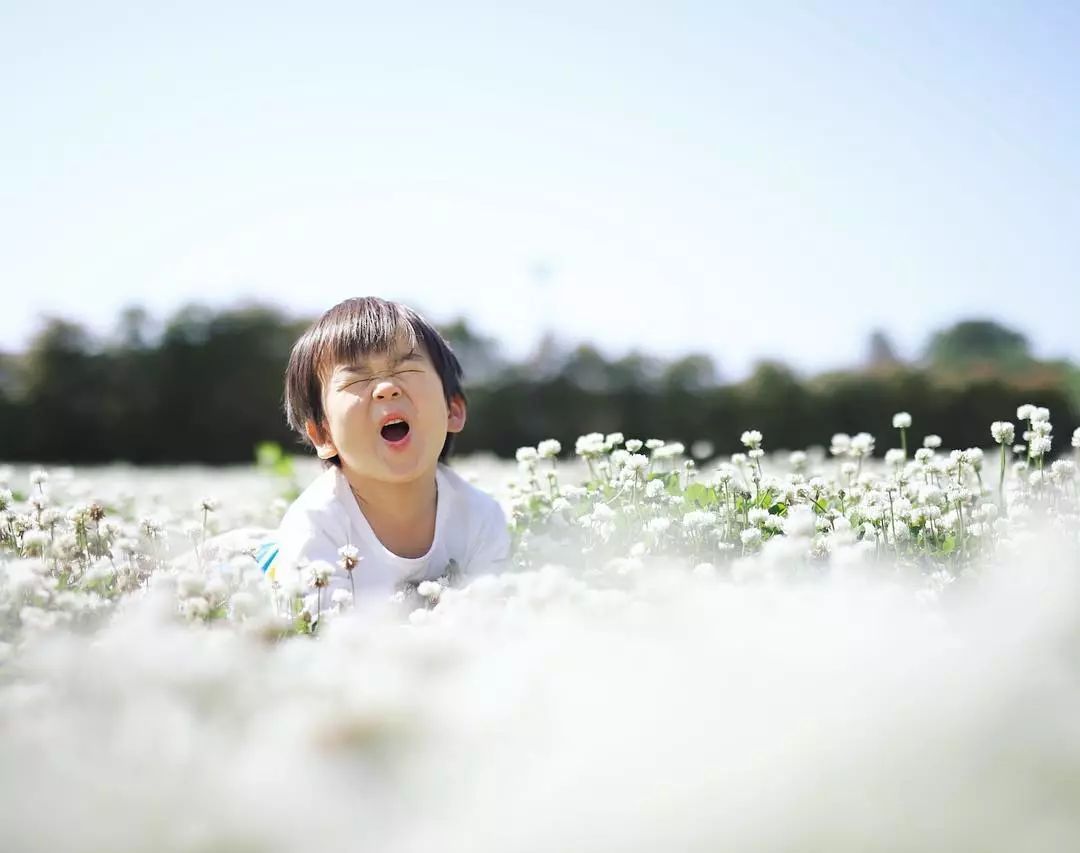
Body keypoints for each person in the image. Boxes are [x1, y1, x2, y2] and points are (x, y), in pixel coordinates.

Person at [256, 296, 511, 607]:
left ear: (452, 411)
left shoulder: (481, 517)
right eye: (358, 379)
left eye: (407, 369)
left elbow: (491, 615)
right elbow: (322, 625)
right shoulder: (314, 527)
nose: (386, 388)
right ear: (323, 435)